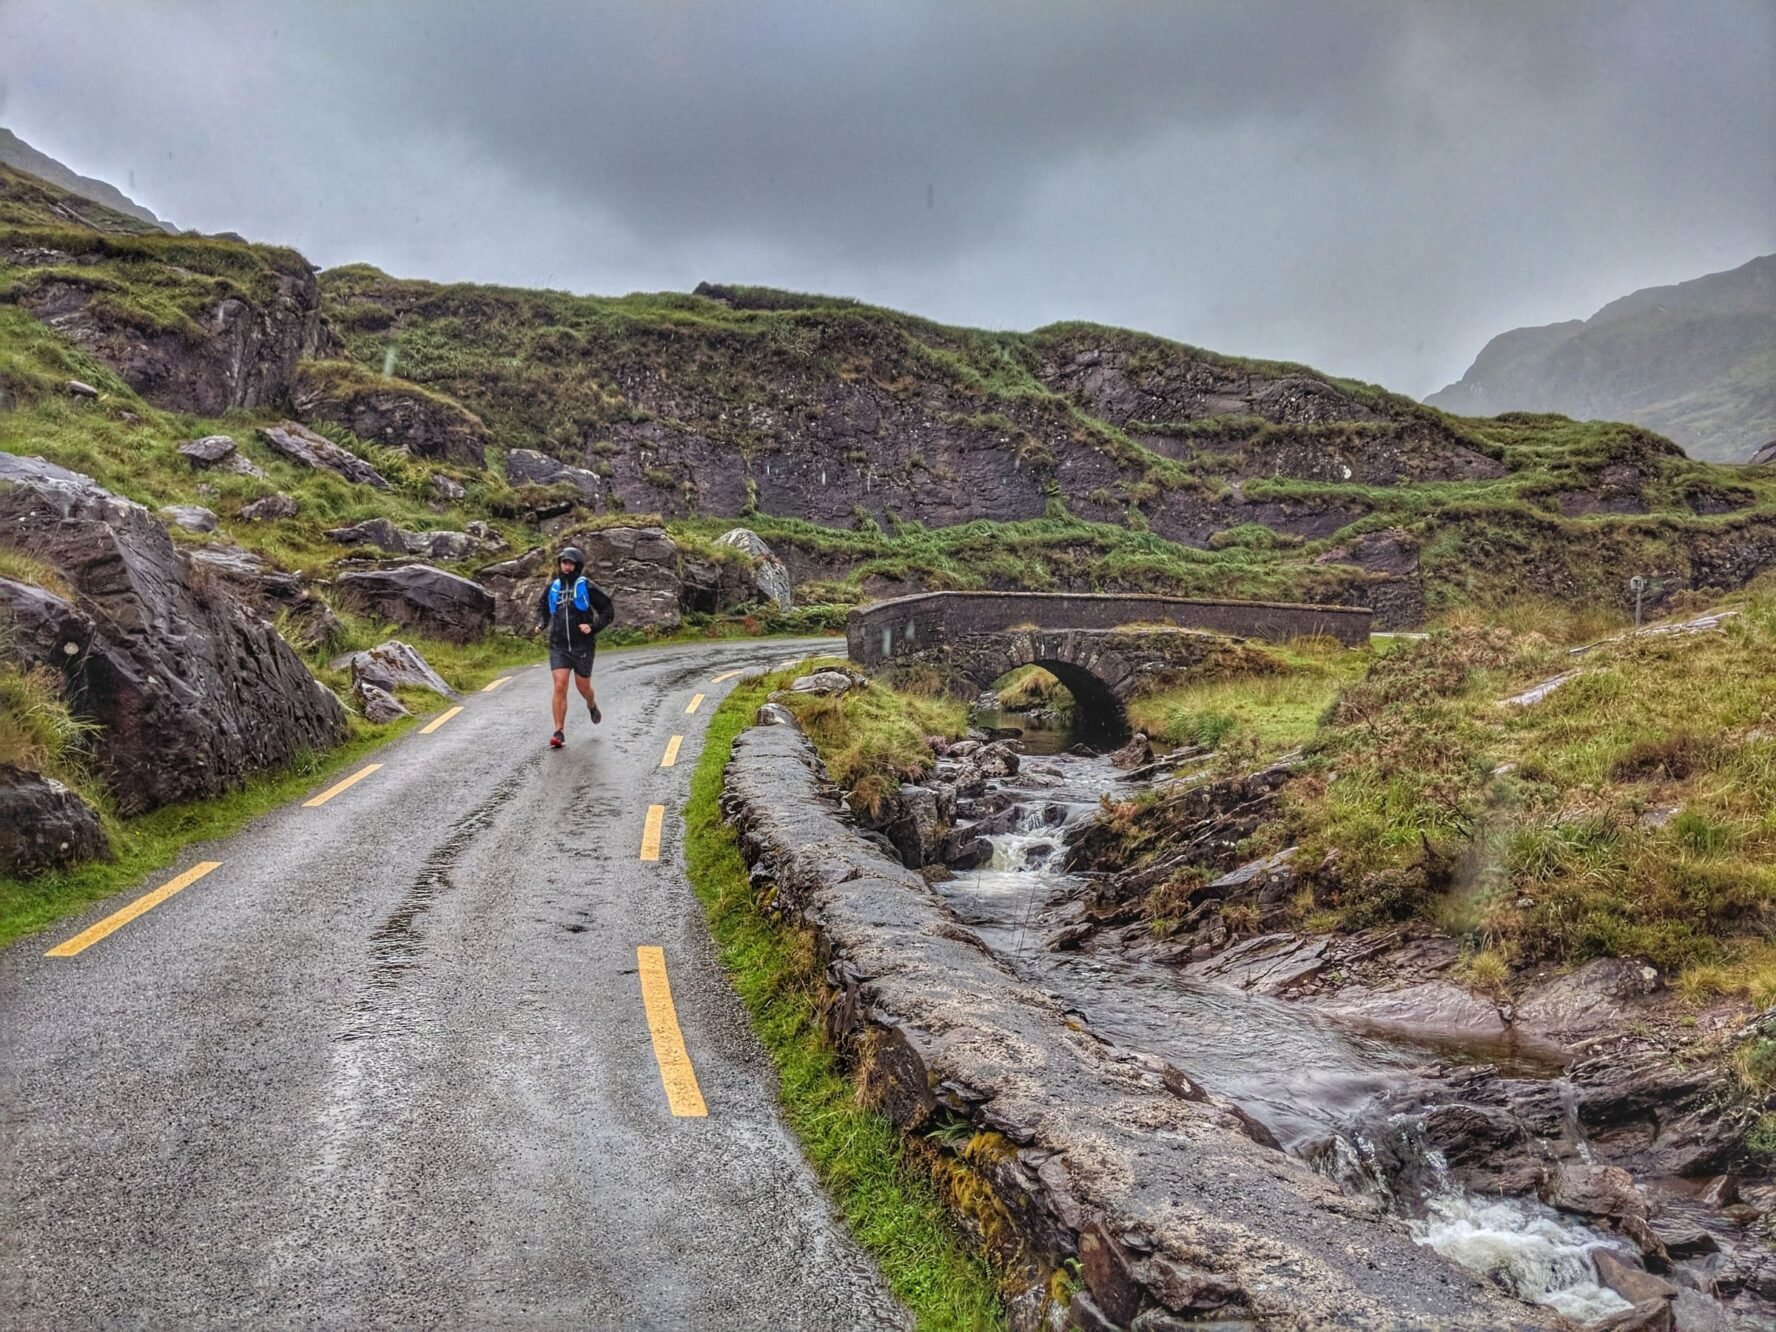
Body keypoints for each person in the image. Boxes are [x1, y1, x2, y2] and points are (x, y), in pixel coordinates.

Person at [534, 546, 615, 748]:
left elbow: (607, 609)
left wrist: (593, 626)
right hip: (558, 645)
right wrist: (542, 623)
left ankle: (591, 704)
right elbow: (542, 607)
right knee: (560, 685)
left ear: (577, 565)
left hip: (582, 645)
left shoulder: (586, 586)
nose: (566, 566)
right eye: (563, 562)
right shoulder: (553, 587)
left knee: (583, 687)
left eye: (570, 563)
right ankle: (558, 732)